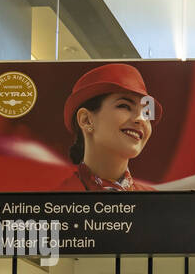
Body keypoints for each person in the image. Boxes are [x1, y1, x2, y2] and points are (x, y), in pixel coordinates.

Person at [56, 63, 162, 191]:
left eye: (146, 113)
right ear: (86, 120)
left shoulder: (154, 200)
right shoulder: (58, 203)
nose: (141, 119)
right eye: (124, 106)